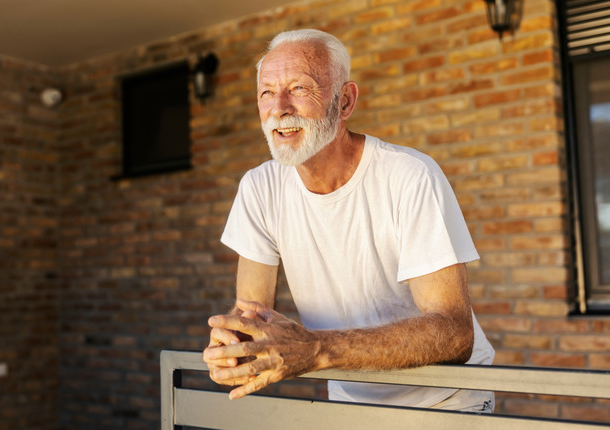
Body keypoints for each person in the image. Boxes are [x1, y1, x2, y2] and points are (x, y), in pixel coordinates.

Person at [202, 28, 495, 412]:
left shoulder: (410, 176)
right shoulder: (259, 188)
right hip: (350, 401)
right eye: (266, 92)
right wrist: (235, 347)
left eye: (300, 89)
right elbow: (250, 315)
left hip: (448, 401)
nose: (279, 107)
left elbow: (455, 333)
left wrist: (317, 349)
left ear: (344, 101)